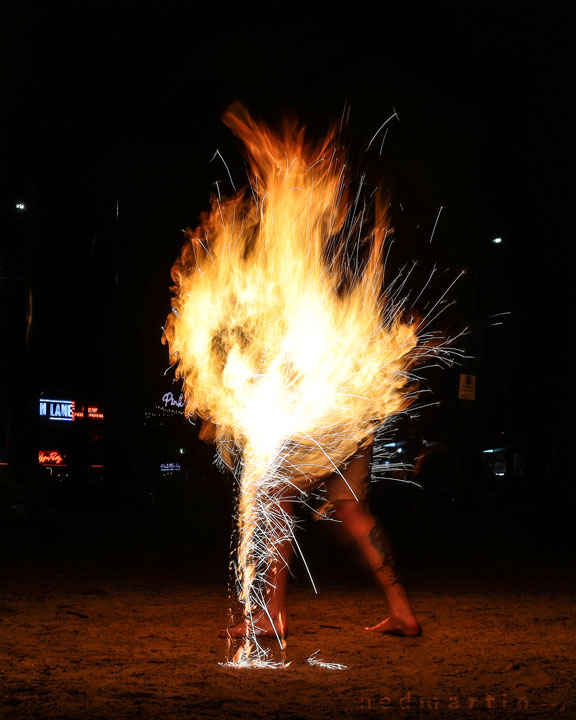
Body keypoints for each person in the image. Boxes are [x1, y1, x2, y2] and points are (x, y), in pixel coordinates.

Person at [199, 420, 422, 639]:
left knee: (274, 494)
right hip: (357, 418)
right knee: (353, 510)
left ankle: (272, 615)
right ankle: (402, 612)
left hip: (318, 418)